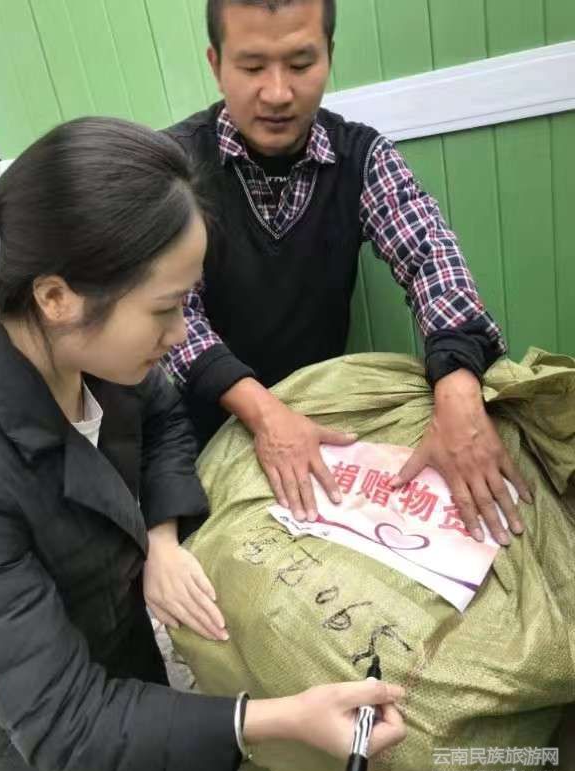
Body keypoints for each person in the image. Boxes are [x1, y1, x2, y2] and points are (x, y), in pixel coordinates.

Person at [0, 117, 406, 771]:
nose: (181, 334)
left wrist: (159, 539)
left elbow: (166, 416)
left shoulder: (91, 350)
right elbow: (62, 719)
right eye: (166, 309)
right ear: (57, 298)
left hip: (125, 665)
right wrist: (280, 719)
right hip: (37, 751)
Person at [163, 0, 532, 546]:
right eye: (252, 66)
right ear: (216, 64)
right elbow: (174, 318)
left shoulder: (362, 155)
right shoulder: (173, 166)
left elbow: (431, 258)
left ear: (329, 56)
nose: (278, 93)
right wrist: (265, 415)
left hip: (322, 410)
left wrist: (459, 386)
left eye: (300, 63)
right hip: (201, 430)